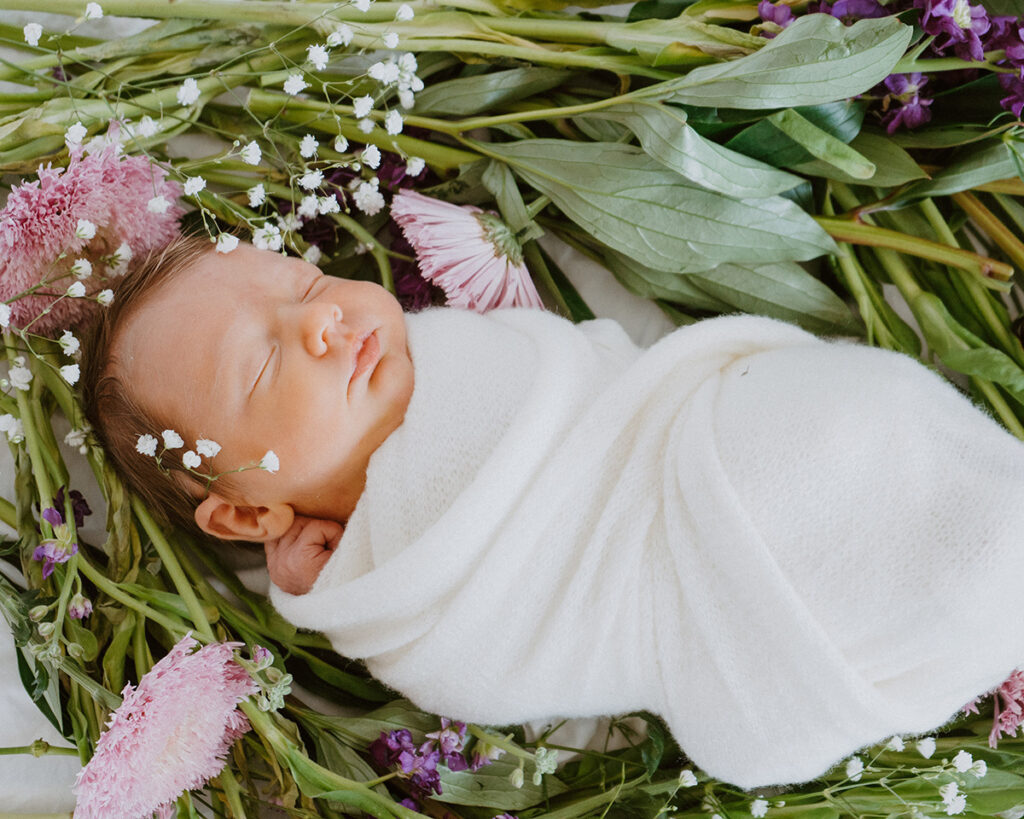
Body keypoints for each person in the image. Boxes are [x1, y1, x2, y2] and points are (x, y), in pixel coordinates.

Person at [83, 232, 1024, 791]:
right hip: (702, 583)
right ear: (246, 516)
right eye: (264, 364)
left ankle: (970, 525)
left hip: (698, 443)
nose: (324, 321)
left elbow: (587, 383)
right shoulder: (393, 594)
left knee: (848, 433)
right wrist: (326, 581)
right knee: (915, 546)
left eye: (307, 282)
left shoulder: (451, 358)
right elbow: (501, 649)